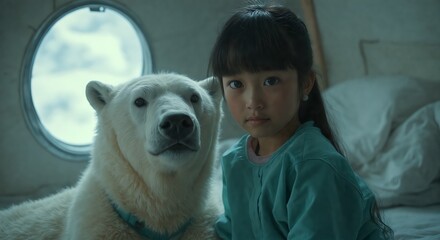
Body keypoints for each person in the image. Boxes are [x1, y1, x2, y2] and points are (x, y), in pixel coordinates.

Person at [208, 2, 393, 239]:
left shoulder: (314, 166)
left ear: (305, 82)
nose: (253, 101)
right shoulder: (234, 161)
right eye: (236, 84)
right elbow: (230, 232)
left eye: (271, 81)